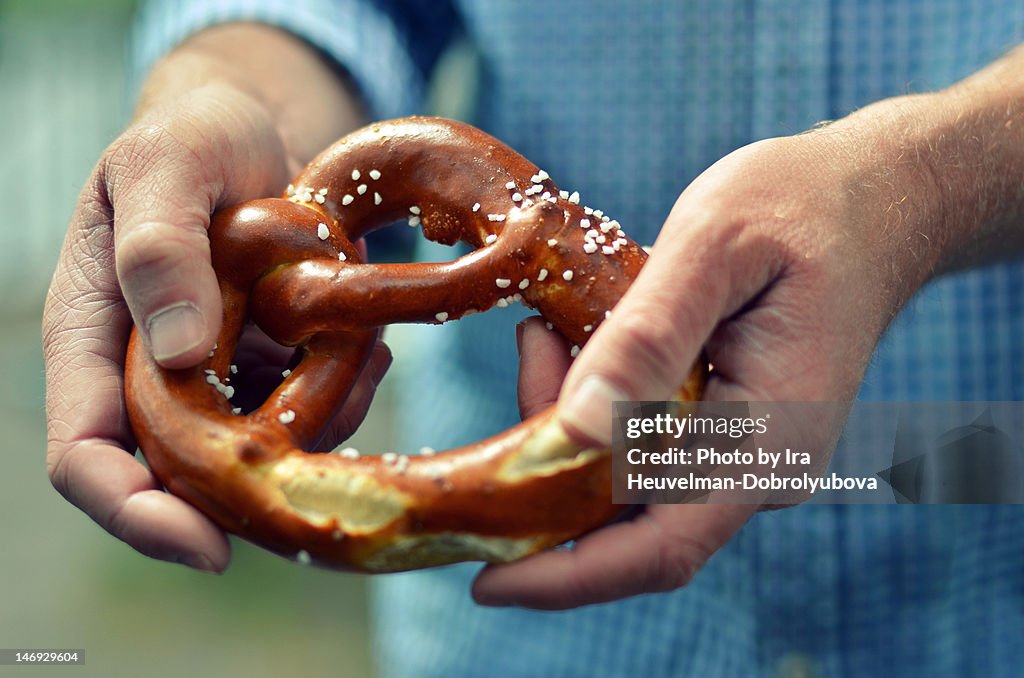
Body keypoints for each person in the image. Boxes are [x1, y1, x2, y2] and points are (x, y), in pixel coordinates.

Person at [43, 1, 1024, 675]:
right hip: (550, 624)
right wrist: (230, 90)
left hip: (988, 474)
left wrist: (931, 188)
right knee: (642, 446)